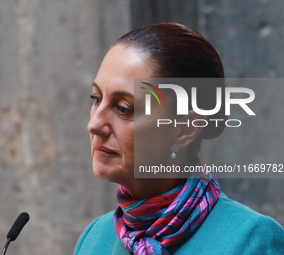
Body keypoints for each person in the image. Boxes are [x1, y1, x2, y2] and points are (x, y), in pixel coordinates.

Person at [74, 23, 284, 255]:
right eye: (96, 98)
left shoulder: (251, 240)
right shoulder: (95, 239)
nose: (94, 125)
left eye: (124, 108)